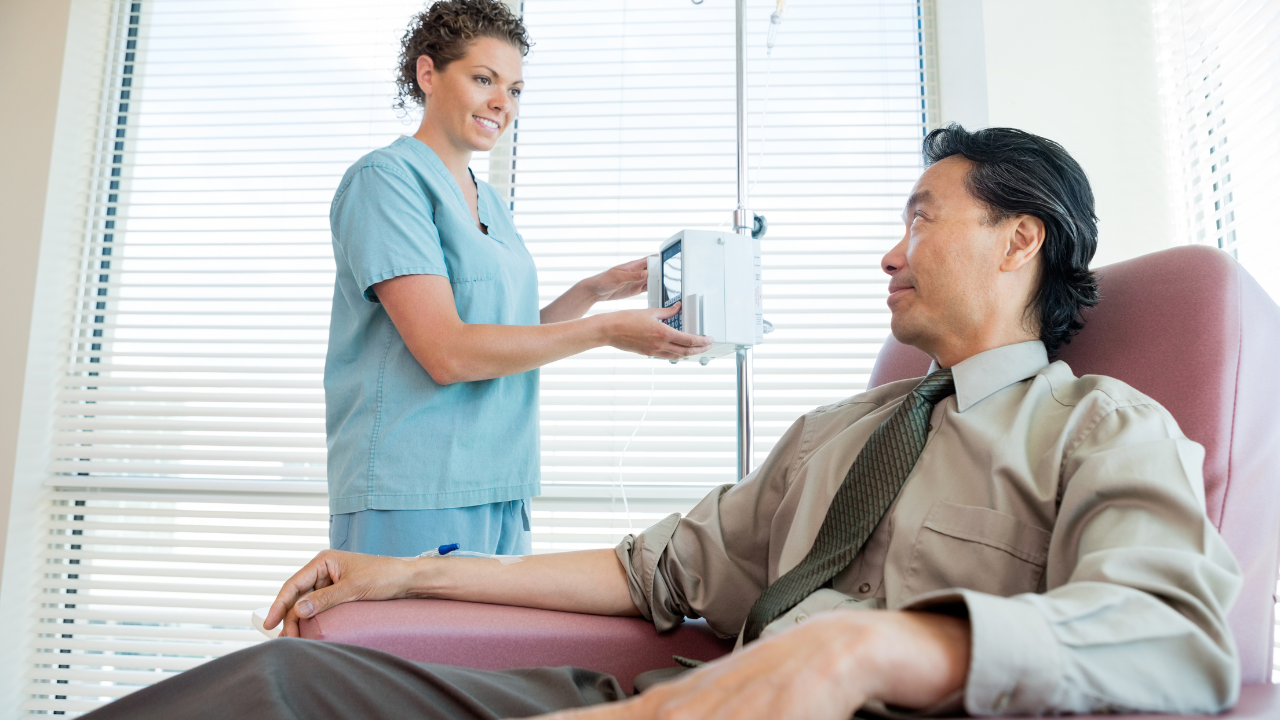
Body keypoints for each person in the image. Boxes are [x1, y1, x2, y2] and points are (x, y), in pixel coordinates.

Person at [82, 125, 1241, 720]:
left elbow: (1173, 637)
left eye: (920, 218)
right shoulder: (842, 429)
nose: (888, 251)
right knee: (276, 692)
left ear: (1018, 236)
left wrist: (870, 645)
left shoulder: (1097, 427)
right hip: (667, 695)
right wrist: (399, 575)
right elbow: (655, 573)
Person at [324, 0, 711, 558]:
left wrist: (593, 290)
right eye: (484, 79)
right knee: (407, 648)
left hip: (501, 485)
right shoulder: (387, 183)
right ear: (427, 73)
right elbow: (448, 352)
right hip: (412, 490)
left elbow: (505, 336)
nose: (502, 103)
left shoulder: (490, 203)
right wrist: (605, 330)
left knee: (490, 648)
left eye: (516, 89)